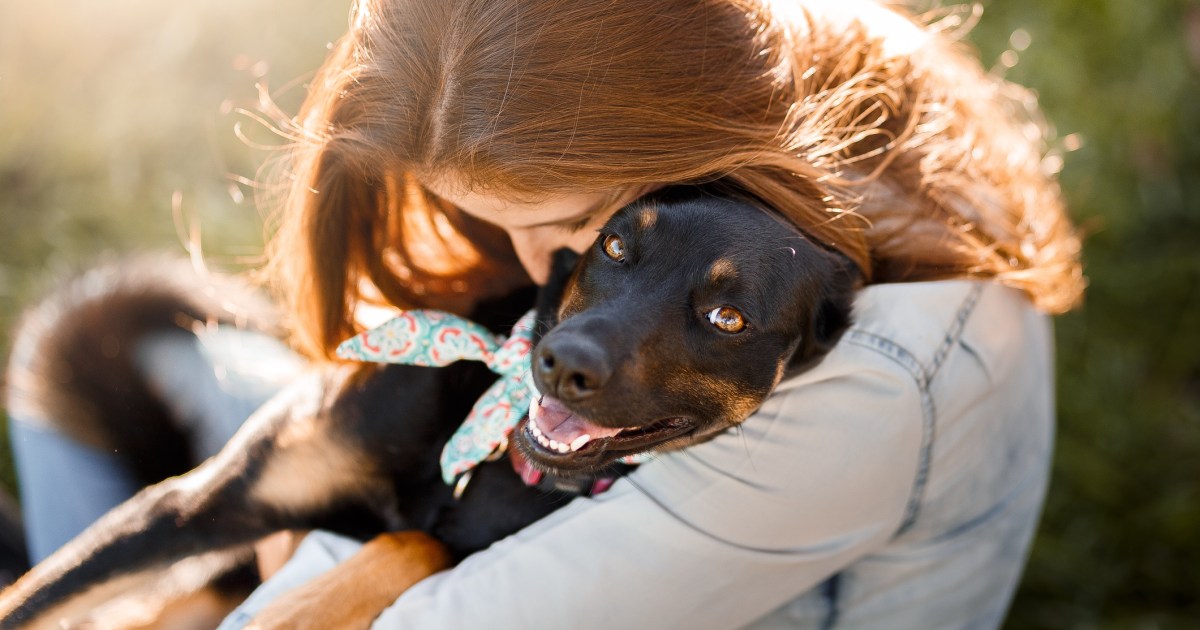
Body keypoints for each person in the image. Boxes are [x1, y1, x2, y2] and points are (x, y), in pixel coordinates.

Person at [9, 0, 1085, 627]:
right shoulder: (773, 82)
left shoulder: (846, 387)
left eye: (575, 220)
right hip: (460, 477)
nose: (541, 272)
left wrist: (286, 541)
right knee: (101, 334)